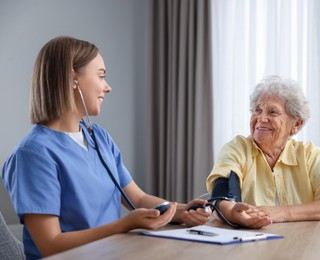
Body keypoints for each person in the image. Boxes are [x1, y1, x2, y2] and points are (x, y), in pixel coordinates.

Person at [2, 36, 211, 259]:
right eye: (101, 76)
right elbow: (50, 245)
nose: (107, 87)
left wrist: (181, 210)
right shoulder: (33, 154)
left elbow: (137, 199)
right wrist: (122, 226)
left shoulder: (99, 137)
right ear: (73, 79)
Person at [206, 75, 320, 229]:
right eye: (257, 110)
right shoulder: (237, 149)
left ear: (296, 124)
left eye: (273, 112)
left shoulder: (310, 155)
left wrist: (280, 213)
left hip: (303, 243)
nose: (261, 118)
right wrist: (232, 213)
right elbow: (221, 198)